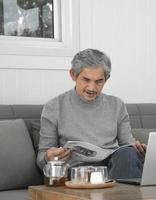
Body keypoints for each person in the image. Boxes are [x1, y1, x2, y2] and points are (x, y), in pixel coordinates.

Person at [37, 48, 147, 179]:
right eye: (86, 80)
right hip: (78, 171)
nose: (92, 88)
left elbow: (127, 145)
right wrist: (48, 157)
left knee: (128, 154)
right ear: (73, 74)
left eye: (99, 81)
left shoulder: (117, 105)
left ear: (107, 78)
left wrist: (138, 152)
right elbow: (41, 159)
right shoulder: (54, 107)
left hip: (113, 167)